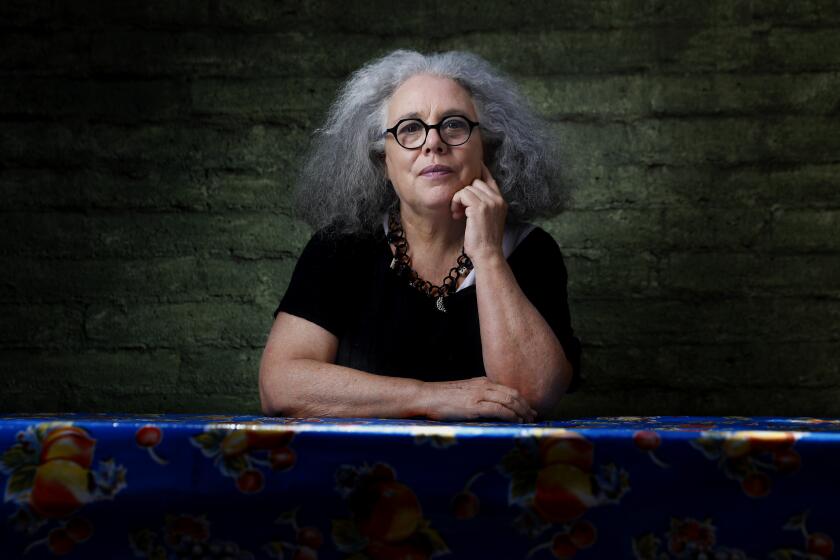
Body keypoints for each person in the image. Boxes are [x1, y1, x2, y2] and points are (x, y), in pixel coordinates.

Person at [259, 50, 580, 422]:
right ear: (383, 163)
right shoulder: (339, 248)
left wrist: (488, 254)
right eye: (410, 128)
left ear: (487, 152)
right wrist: (431, 398)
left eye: (454, 124)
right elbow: (279, 386)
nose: (433, 142)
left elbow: (533, 394)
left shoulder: (531, 252)